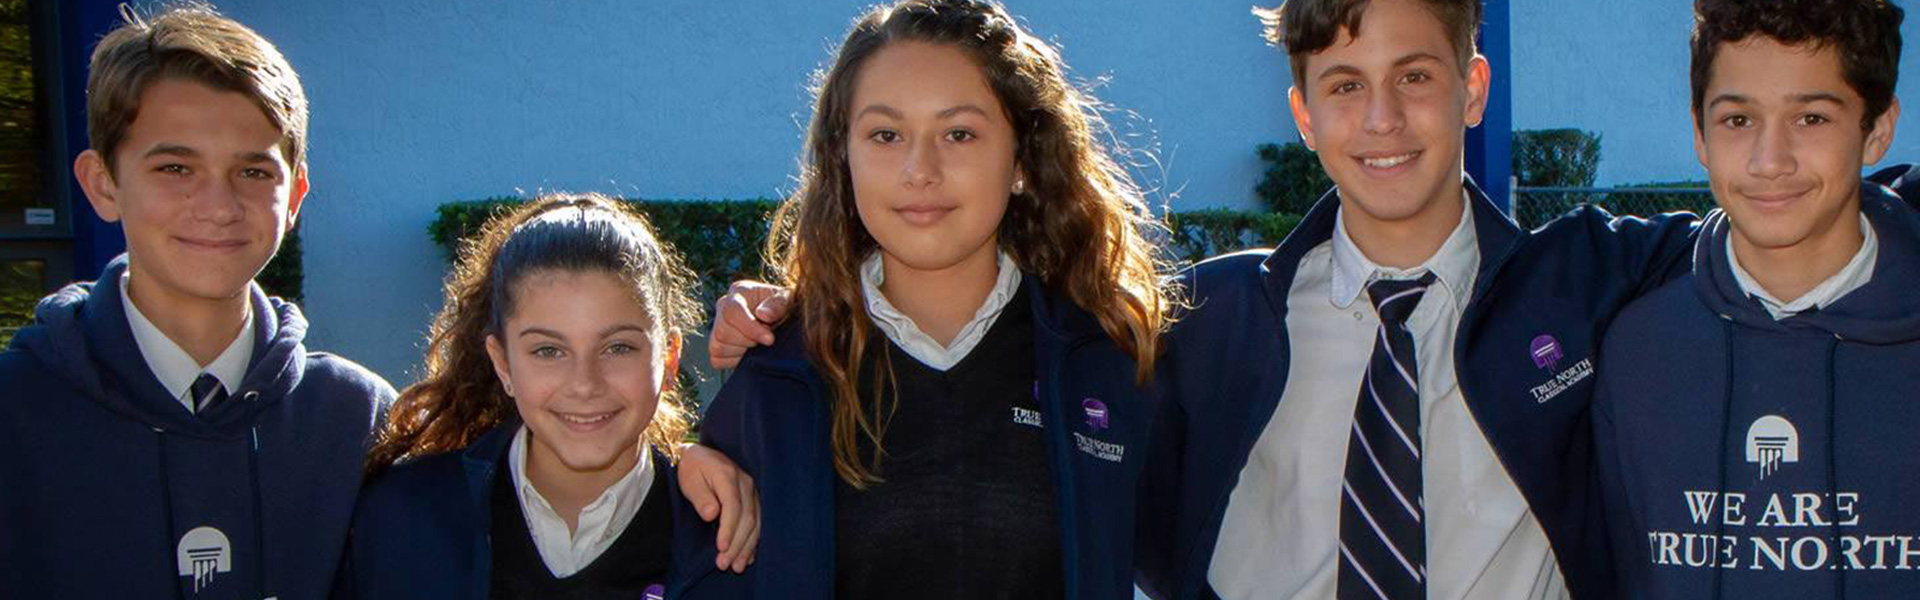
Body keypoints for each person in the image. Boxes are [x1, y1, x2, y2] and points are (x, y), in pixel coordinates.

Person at [675, 1, 1176, 598]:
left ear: (1020, 159)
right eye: (886, 135)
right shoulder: (778, 372)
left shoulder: (1112, 359)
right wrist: (674, 457)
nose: (920, 169)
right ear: (844, 156)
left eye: (959, 133)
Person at [0, 6, 395, 599]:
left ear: (295, 197)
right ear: (102, 183)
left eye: (254, 172)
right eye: (176, 167)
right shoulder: (16, 413)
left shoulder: (358, 420)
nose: (217, 205)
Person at [1592, 1, 1917, 597]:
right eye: (1739, 120)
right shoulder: (1638, 351)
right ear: (1699, 133)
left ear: (1878, 130)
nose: (1771, 161)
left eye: (1812, 118)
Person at [344, 194, 754, 598]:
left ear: (669, 358)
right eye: (548, 351)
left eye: (618, 347)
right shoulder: (403, 518)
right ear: (502, 363)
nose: (584, 383)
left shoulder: (729, 539)